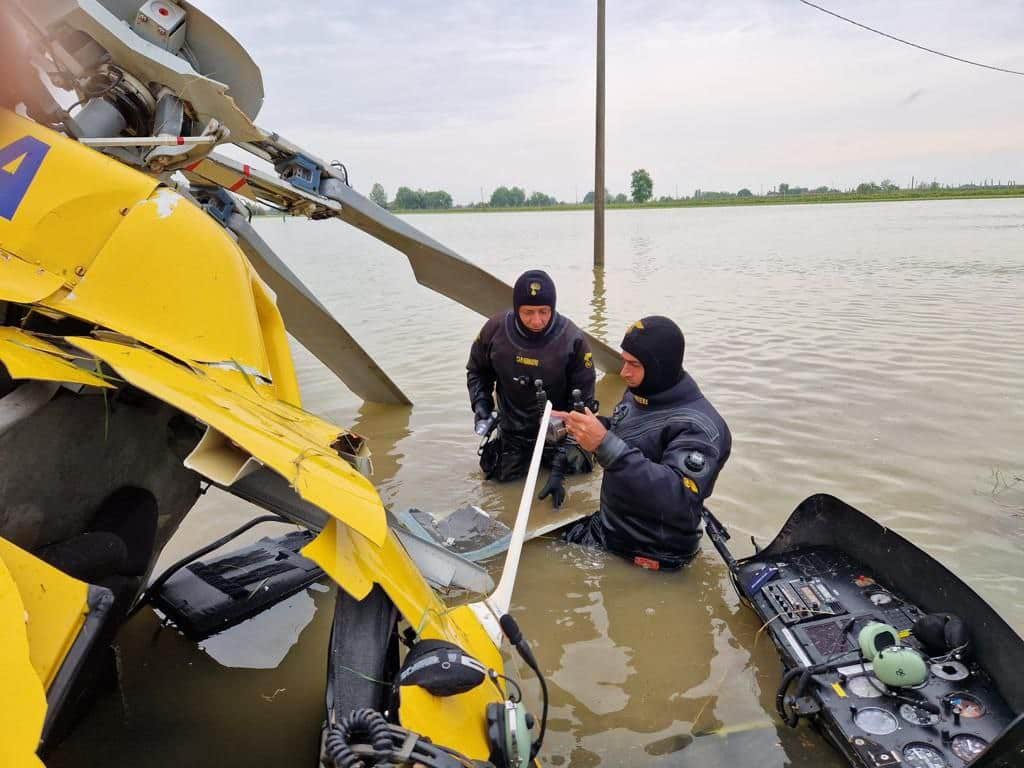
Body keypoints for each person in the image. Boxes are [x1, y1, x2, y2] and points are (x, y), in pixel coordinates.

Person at [562, 316, 731, 569]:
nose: (623, 372)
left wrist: (604, 444)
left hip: (654, 552)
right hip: (612, 529)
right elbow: (632, 435)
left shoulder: (701, 428)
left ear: (659, 367)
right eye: (624, 360)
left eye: (634, 364)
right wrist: (587, 427)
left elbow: (678, 497)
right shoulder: (640, 392)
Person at [467, 269, 596, 506]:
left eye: (543, 312)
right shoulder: (494, 331)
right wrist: (482, 406)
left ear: (552, 308)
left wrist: (560, 463)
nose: (536, 320)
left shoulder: (573, 340)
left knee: (578, 482)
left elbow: (585, 406)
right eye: (528, 312)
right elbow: (477, 371)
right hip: (514, 432)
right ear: (516, 308)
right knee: (500, 485)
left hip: (560, 434)